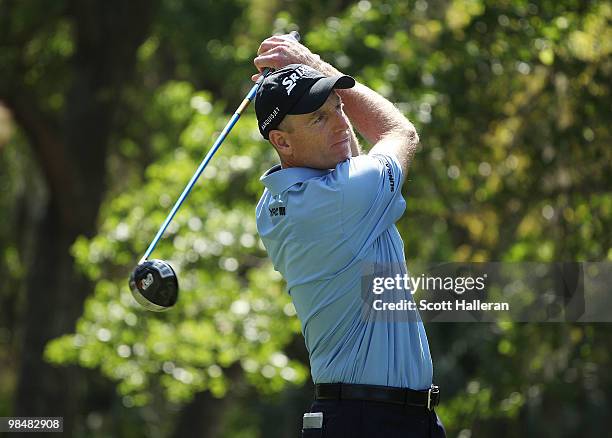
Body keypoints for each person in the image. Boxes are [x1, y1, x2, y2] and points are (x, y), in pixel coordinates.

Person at [253, 34, 446, 438]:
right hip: (371, 420)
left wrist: (308, 80)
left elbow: (349, 161)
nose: (341, 123)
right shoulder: (342, 197)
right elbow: (400, 132)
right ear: (281, 141)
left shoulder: (277, 204)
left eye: (338, 107)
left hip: (367, 416)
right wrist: (314, 62)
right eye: (319, 119)